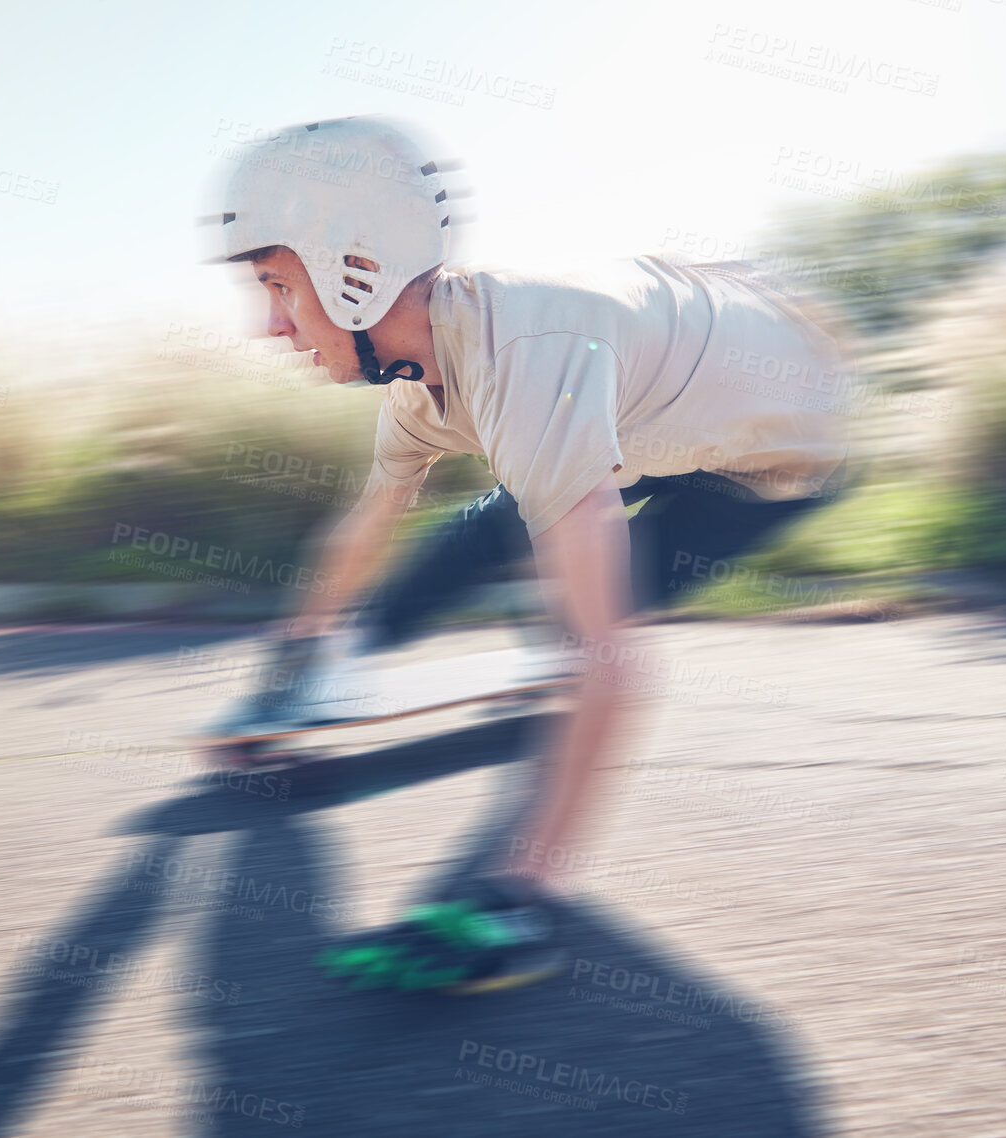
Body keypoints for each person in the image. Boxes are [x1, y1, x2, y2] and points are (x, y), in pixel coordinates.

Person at [211, 115, 853, 993]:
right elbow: (367, 524)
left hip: (773, 463)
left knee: (573, 612)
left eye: (277, 286)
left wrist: (522, 894)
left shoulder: (529, 357)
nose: (268, 328)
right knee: (503, 525)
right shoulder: (427, 385)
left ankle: (531, 873)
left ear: (352, 268)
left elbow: (613, 657)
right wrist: (295, 668)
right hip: (656, 398)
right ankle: (364, 663)